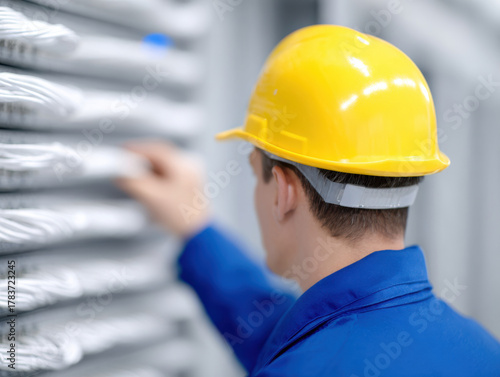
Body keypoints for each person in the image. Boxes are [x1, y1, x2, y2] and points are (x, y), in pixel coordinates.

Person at [117, 25, 500, 376]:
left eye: (256, 175)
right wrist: (197, 229)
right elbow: (294, 334)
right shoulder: (483, 352)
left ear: (283, 191)